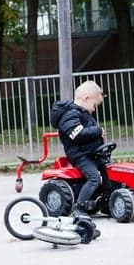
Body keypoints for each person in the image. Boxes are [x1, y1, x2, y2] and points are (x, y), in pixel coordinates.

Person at [50, 80, 107, 217]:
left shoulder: (82, 113)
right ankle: (80, 208)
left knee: (108, 169)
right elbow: (78, 134)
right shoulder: (70, 115)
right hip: (80, 155)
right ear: (86, 98)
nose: (94, 109)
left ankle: (106, 200)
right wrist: (98, 131)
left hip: (91, 152)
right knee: (94, 178)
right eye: (94, 105)